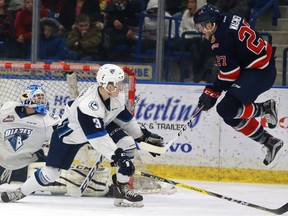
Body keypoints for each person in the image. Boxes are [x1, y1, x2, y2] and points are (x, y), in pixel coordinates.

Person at [0, 64, 164, 208]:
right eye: (117, 84)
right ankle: (20, 192)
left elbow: (125, 119)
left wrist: (144, 137)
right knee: (51, 173)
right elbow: (98, 139)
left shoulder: (116, 96)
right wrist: (118, 157)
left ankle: (121, 188)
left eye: (121, 83)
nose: (121, 87)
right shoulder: (88, 106)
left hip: (100, 125)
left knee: (127, 143)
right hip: (71, 135)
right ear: (105, 84)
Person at [193, 4, 287, 167]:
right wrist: (213, 91)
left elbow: (231, 73)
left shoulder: (219, 40)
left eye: (204, 25)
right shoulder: (227, 18)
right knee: (230, 114)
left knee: (225, 109)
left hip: (260, 72)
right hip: (254, 68)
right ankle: (270, 142)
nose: (202, 30)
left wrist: (212, 91)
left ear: (212, 23)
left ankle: (265, 108)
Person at [0, 84, 60, 185]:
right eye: (38, 97)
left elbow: (62, 136)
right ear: (27, 98)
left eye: (42, 97)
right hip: (2, 160)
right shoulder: (7, 109)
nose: (41, 101)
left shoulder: (47, 120)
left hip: (26, 163)